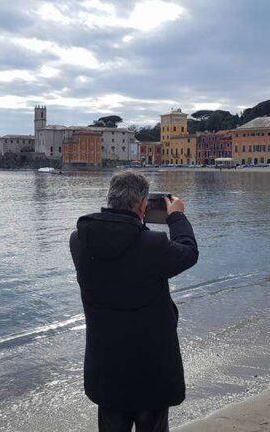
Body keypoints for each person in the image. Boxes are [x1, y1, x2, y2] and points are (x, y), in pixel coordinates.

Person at [70, 170, 199, 432]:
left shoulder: (79, 240)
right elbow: (188, 253)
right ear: (142, 204)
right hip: (150, 368)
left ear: (110, 198)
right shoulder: (152, 245)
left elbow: (122, 251)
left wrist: (137, 223)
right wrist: (176, 217)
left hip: (106, 365)